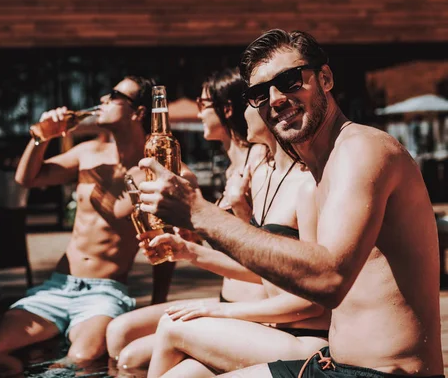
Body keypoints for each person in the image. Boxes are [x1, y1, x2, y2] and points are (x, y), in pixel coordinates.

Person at [137, 29, 443, 378]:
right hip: (332, 365)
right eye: (258, 94)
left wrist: (199, 212)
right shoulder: (318, 173)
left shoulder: (362, 149)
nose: (276, 98)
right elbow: (296, 266)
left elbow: (328, 280)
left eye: (289, 80)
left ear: (325, 78)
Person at [0, 76, 176, 367]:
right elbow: (26, 179)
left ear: (139, 113)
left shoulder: (154, 168)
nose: (104, 99)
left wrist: (157, 305)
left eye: (115, 95)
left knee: (79, 361)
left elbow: (165, 243)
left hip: (105, 293)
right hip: (58, 286)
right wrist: (41, 137)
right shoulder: (89, 153)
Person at [144, 102, 330, 378]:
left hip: (309, 340)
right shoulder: (267, 179)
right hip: (273, 330)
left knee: (171, 325)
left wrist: (219, 310)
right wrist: (188, 250)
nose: (241, 114)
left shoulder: (307, 185)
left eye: (250, 103)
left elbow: (314, 298)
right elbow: (268, 273)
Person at [106, 68, 270, 370]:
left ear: (227, 109)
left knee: (130, 356)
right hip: (225, 295)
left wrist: (205, 226)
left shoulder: (257, 166)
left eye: (202, 104)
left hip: (253, 305)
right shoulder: (234, 169)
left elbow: (261, 247)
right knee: (119, 332)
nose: (197, 112)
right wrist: (193, 232)